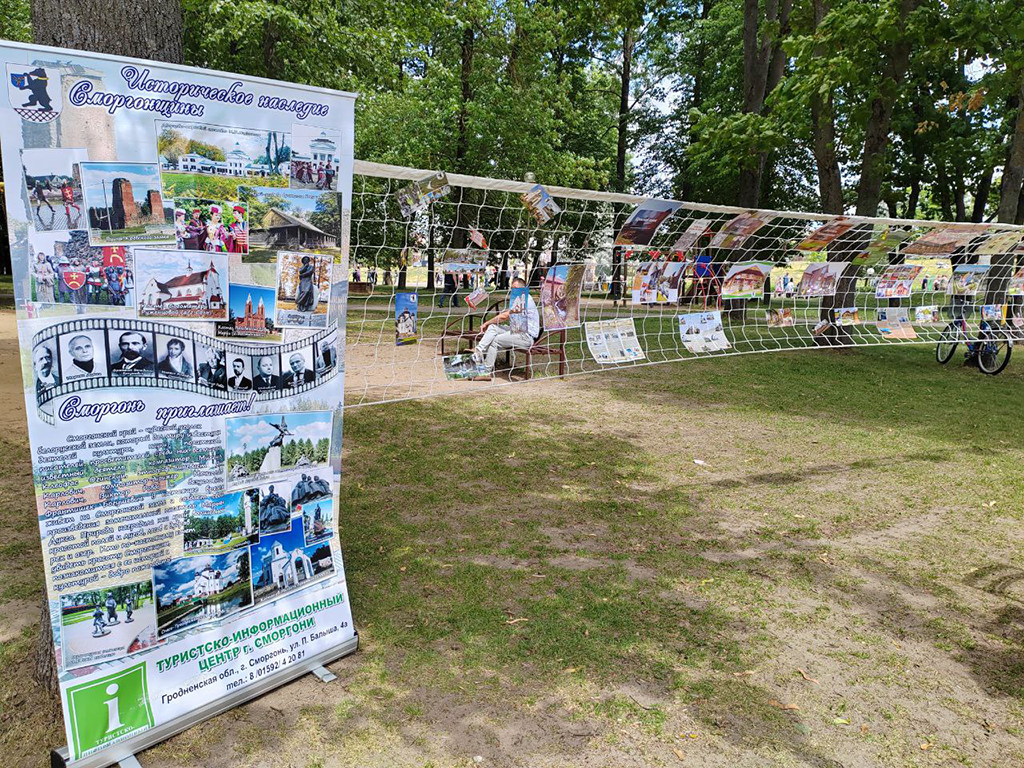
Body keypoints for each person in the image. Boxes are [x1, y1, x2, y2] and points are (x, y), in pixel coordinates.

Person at [471, 278, 539, 377]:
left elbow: (504, 316)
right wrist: (489, 324)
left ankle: (485, 372)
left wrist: (486, 323)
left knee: (495, 341)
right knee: (493, 327)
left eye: (515, 288)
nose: (513, 290)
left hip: (526, 336)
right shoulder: (519, 298)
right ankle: (478, 351)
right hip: (517, 330)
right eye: (512, 288)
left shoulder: (525, 299)